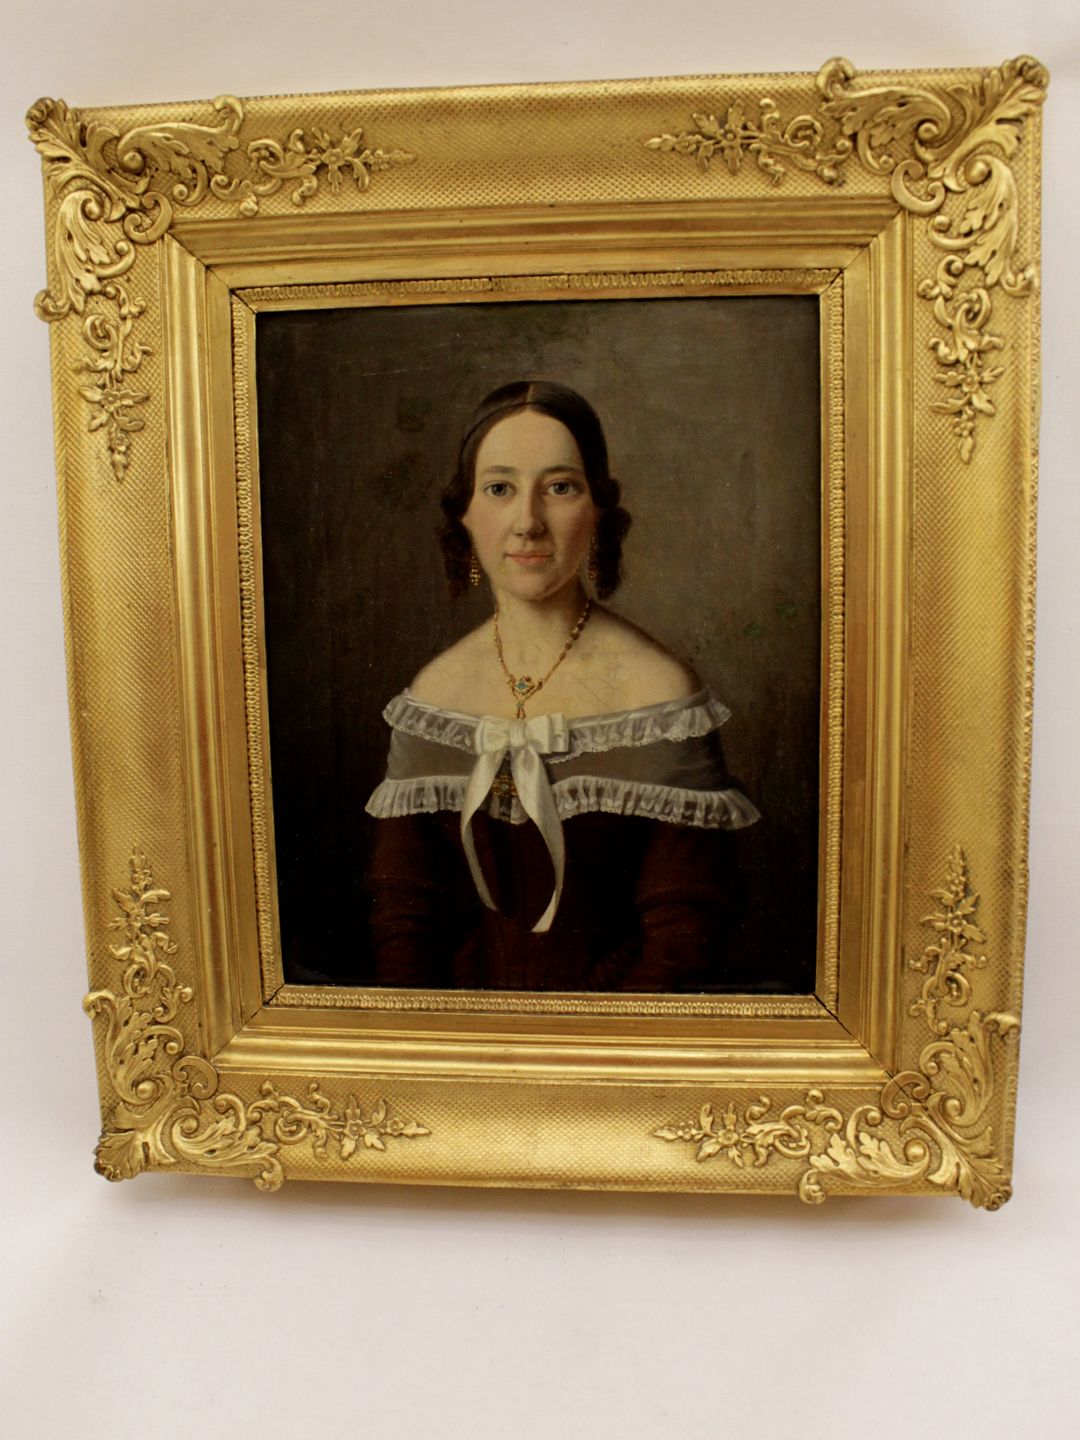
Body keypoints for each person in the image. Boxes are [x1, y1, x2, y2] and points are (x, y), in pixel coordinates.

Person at [364, 380, 759, 991]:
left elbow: (683, 946)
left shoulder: (659, 694)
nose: (528, 523)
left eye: (560, 487)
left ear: (597, 510)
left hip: (621, 1033)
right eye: (500, 489)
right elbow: (405, 929)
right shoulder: (433, 695)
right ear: (465, 514)